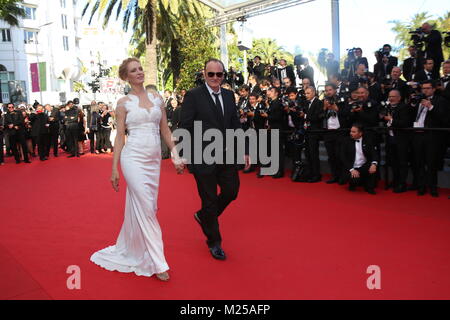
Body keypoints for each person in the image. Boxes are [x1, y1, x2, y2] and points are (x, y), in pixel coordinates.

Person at [90, 57, 184, 281]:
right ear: (126, 76)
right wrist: (114, 169)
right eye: (134, 70)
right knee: (147, 208)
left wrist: (175, 154)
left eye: (140, 68)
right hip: (132, 159)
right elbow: (120, 137)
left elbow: (165, 130)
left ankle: (133, 247)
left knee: (147, 206)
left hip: (153, 162)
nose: (140, 72)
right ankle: (158, 262)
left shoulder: (157, 98)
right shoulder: (123, 103)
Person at [179, 58, 250, 261]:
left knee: (231, 191)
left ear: (223, 75)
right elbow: (186, 125)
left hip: (226, 155)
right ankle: (214, 242)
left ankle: (203, 217)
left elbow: (236, 124)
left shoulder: (229, 95)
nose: (215, 78)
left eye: (219, 74)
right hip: (202, 156)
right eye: (211, 74)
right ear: (204, 74)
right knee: (209, 200)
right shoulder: (193, 96)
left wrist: (244, 150)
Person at [340, 123, 379, 194]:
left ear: (360, 133)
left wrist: (374, 164)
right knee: (354, 180)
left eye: (353, 132)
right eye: (351, 131)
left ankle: (370, 187)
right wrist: (352, 169)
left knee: (373, 167)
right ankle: (353, 184)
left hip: (364, 165)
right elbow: (343, 157)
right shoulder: (346, 141)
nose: (351, 133)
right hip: (351, 167)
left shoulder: (368, 140)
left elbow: (374, 154)